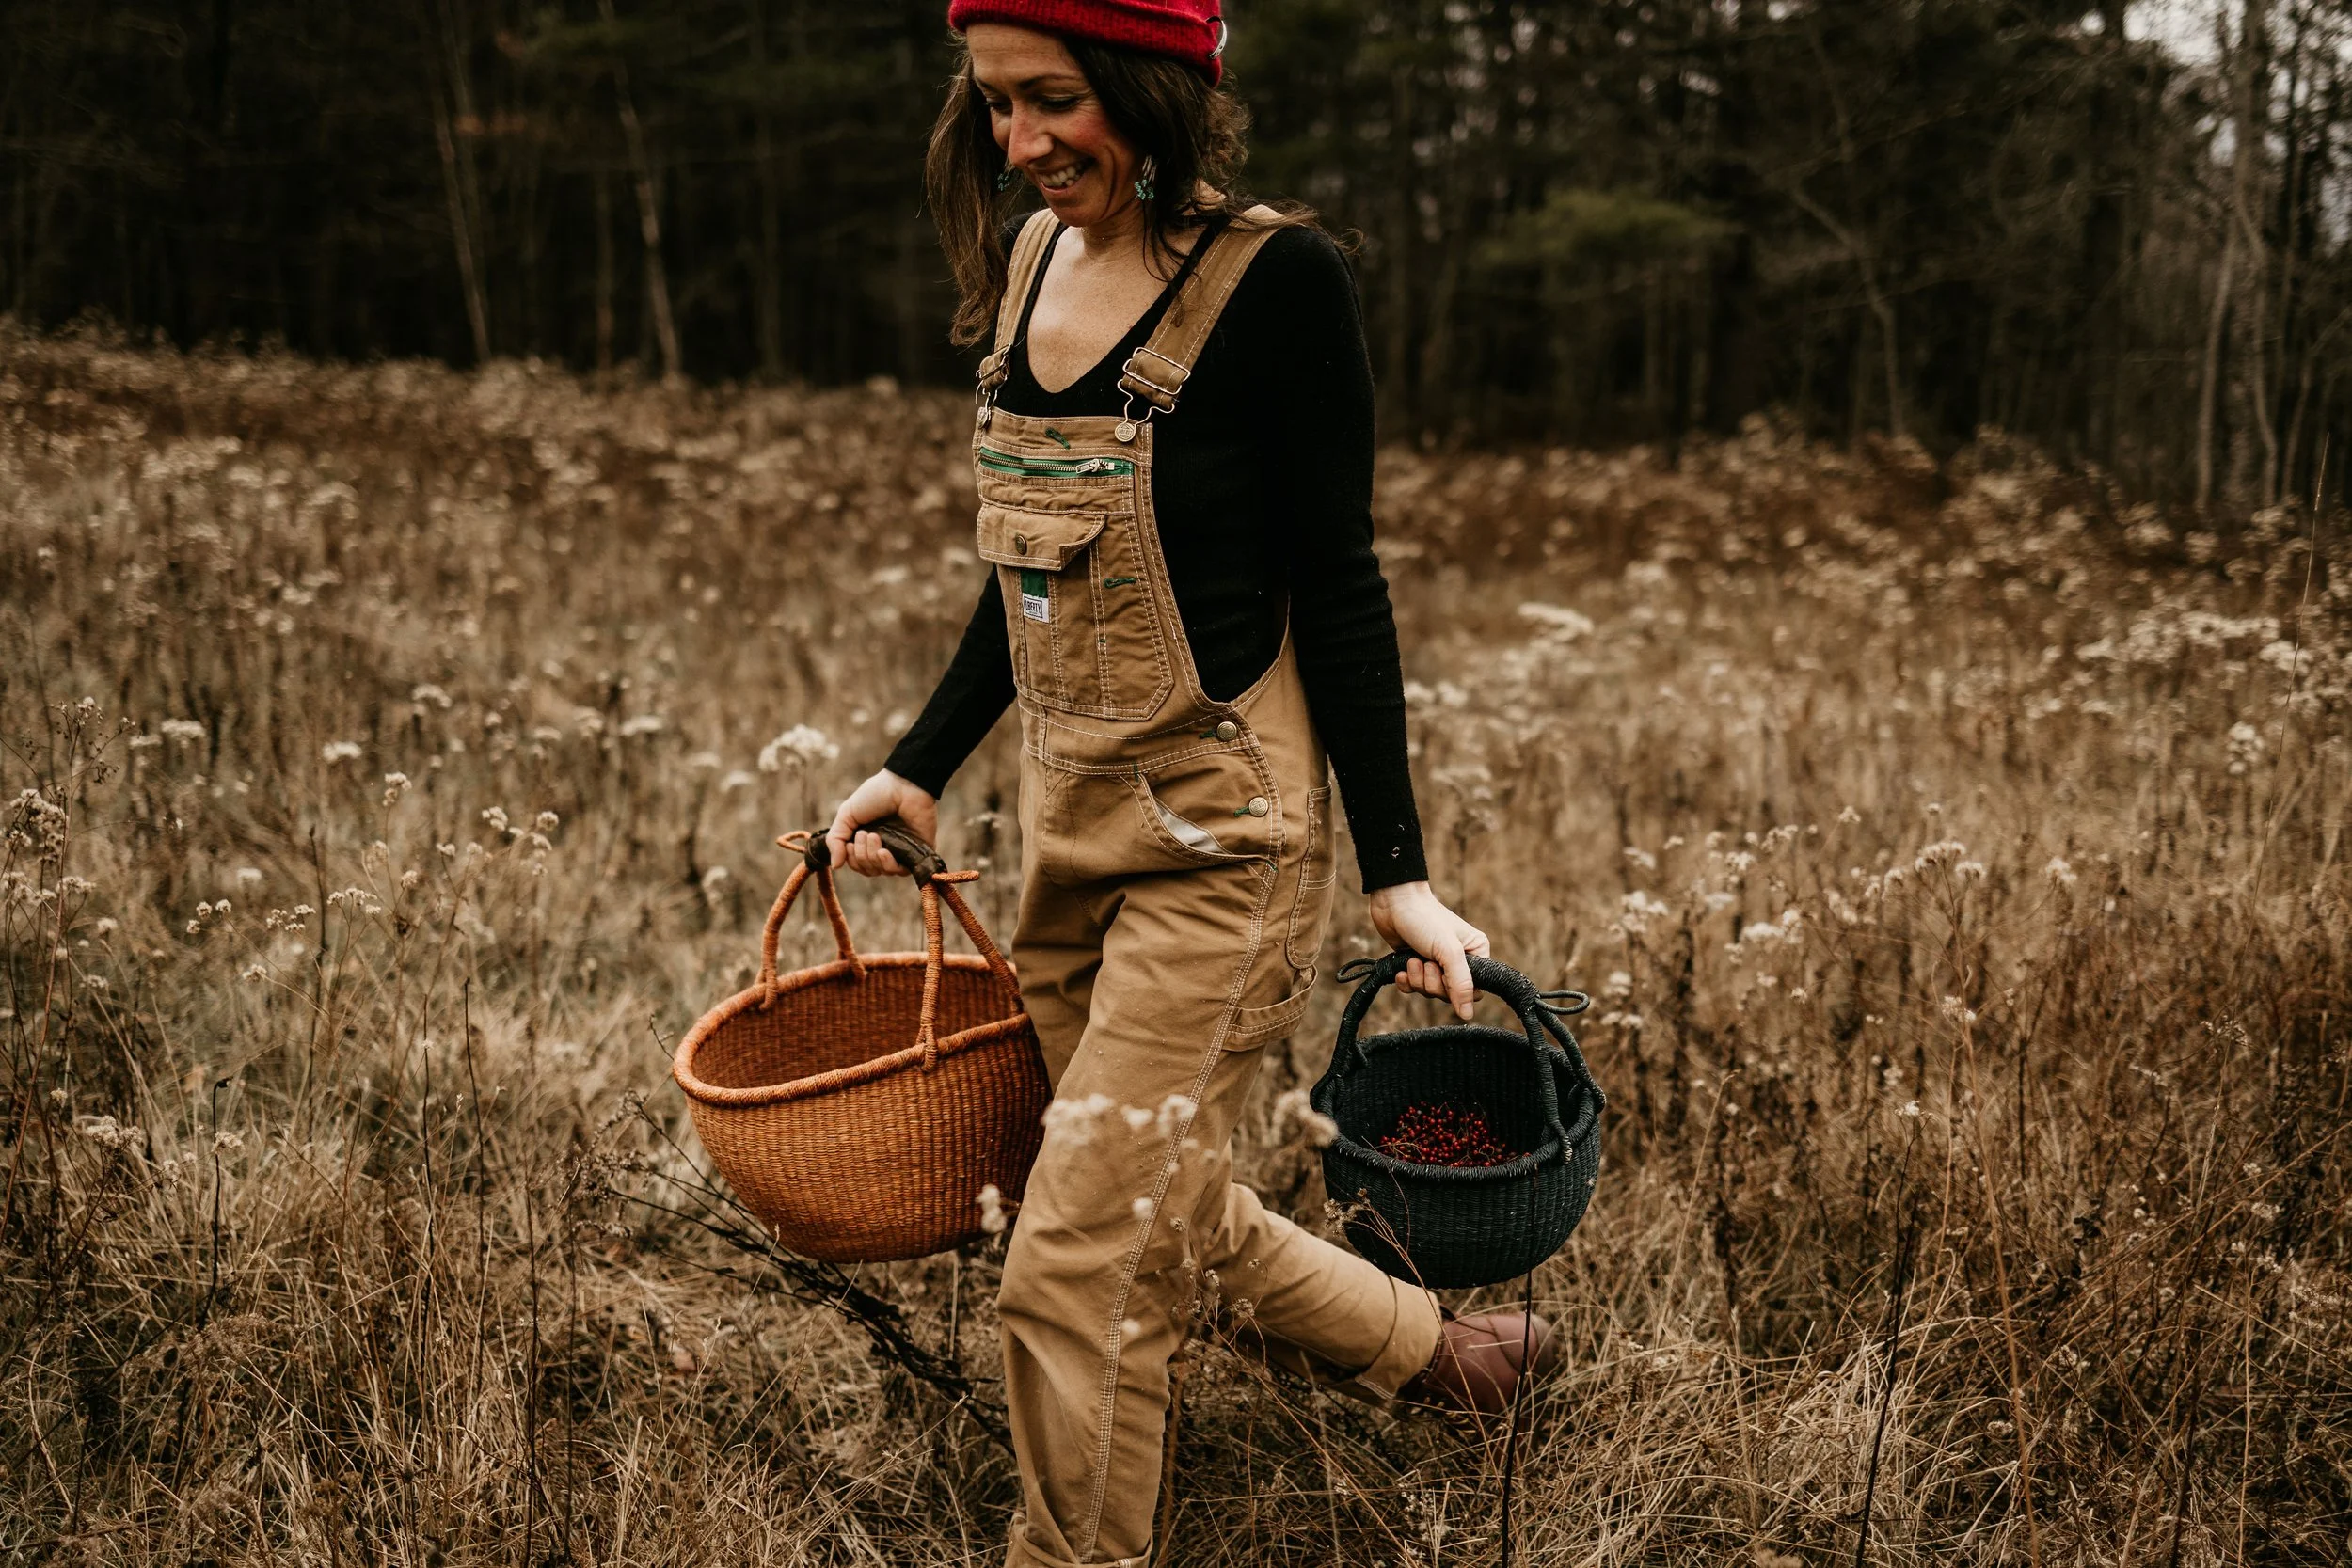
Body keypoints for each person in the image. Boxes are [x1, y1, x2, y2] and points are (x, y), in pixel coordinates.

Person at [823, 4, 1557, 1562]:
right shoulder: (1033, 269)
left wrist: (1397, 867)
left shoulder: (1278, 283)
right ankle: (1447, 1357)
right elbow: (1022, 565)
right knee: (1153, 1189)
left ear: (1156, 88)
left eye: (1057, 101)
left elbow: (1341, 581)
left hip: (1229, 847)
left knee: (1077, 1254)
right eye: (996, 107)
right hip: (1072, 838)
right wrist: (919, 764)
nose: (1023, 145)